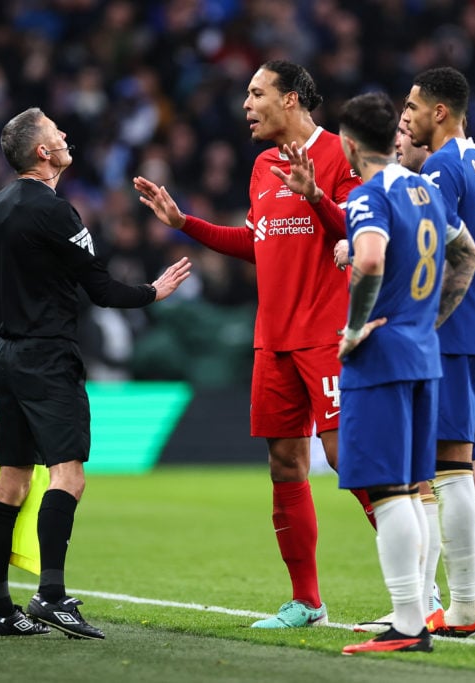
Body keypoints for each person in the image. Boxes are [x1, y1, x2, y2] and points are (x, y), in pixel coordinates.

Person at [133, 60, 366, 628]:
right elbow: (258, 242)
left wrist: (314, 195)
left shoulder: (340, 154)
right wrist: (184, 221)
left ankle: (419, 596)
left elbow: (358, 233)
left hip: (328, 334)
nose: (245, 104)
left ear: (290, 100)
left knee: (349, 462)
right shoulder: (262, 165)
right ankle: (307, 601)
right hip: (275, 339)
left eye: (256, 93)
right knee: (285, 464)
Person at [0, 107, 191, 638]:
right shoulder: (55, 211)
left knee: (12, 480)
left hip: (6, 356)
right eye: (56, 132)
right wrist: (152, 292)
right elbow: (100, 288)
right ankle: (50, 595)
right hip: (48, 356)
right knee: (68, 475)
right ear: (42, 153)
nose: (66, 135)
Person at [335, 91, 475, 655]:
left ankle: (407, 622)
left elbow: (368, 259)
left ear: (349, 143)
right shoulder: (425, 189)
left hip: (383, 359)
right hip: (423, 355)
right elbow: (465, 256)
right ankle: (416, 615)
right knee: (414, 491)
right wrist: (429, 319)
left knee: (391, 491)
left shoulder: (370, 195)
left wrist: (354, 328)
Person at [403, 66, 475, 637]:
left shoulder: (442, 167)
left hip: (454, 334)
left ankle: (467, 608)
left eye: (414, 106)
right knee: (468, 470)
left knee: (446, 473)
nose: (410, 116)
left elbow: (446, 250)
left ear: (438, 112)